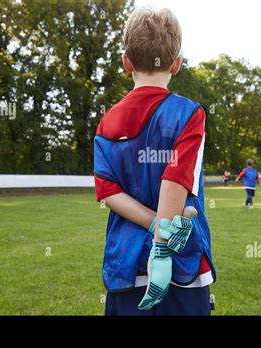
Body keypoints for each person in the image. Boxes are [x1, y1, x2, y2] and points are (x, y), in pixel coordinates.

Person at [93, 7, 215, 316]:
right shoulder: (189, 114)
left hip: (127, 259)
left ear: (126, 63)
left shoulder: (108, 121)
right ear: (176, 65)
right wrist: (161, 246)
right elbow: (175, 179)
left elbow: (108, 192)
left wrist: (152, 224)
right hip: (180, 257)